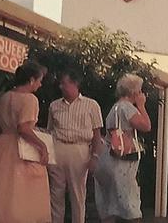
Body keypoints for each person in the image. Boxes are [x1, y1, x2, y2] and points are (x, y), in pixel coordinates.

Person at [0, 61, 51, 223]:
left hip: (3, 147)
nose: (40, 84)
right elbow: (23, 128)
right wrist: (42, 145)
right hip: (20, 148)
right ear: (31, 79)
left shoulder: (5, 97)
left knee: (0, 190)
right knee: (21, 191)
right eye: (39, 80)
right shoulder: (30, 100)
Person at [93, 74, 151, 223]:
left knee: (110, 203)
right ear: (134, 92)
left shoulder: (115, 108)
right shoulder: (127, 107)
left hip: (108, 157)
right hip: (122, 161)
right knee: (128, 201)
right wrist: (142, 106)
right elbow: (146, 126)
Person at [47, 69, 103, 223]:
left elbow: (97, 134)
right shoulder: (54, 106)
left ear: (75, 83)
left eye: (64, 83)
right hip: (58, 147)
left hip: (80, 149)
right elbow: (50, 130)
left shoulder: (91, 105)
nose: (61, 87)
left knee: (77, 194)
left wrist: (95, 156)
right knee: (55, 192)